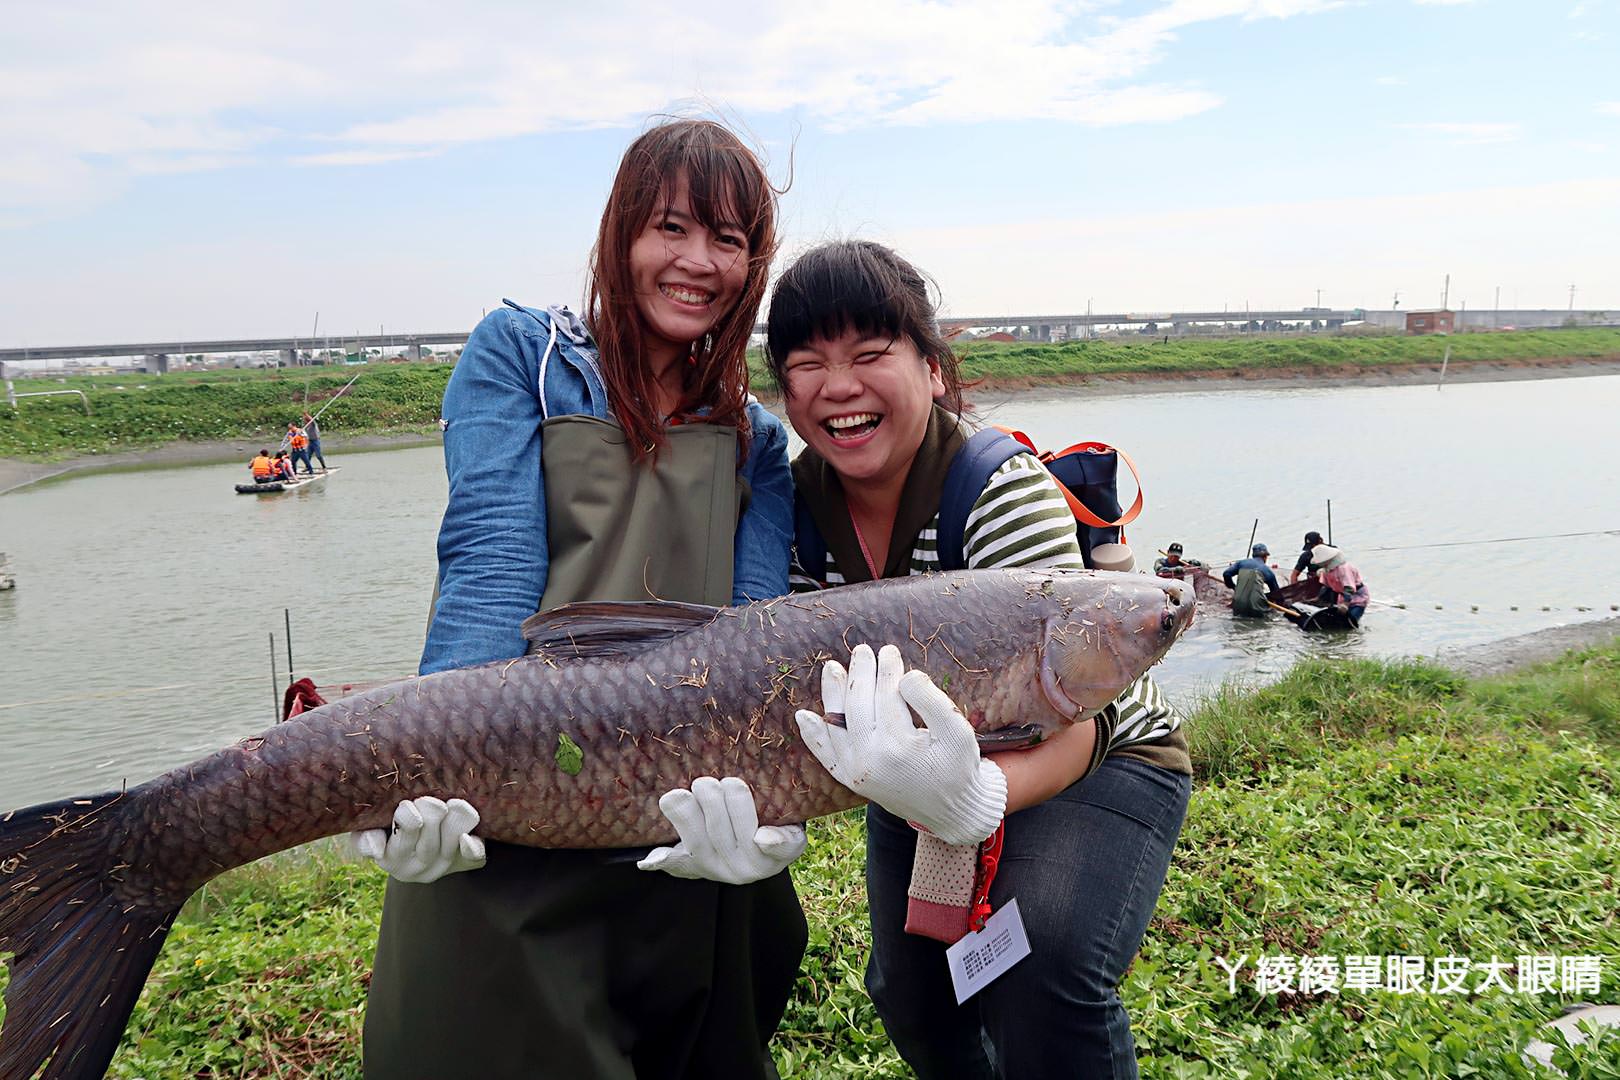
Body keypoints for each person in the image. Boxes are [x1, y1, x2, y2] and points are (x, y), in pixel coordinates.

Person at [354, 120, 803, 1080]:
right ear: (619, 233)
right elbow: (490, 557)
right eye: (672, 228)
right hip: (502, 810)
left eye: (729, 240)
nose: (698, 262)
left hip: (687, 824)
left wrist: (771, 805)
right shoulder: (524, 355)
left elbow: (759, 645)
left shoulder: (756, 439)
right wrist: (428, 767)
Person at [766, 240, 1191, 1079]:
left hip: (1090, 756)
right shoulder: (796, 508)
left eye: (869, 353)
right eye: (806, 363)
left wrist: (981, 795)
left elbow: (1083, 717)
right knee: (911, 992)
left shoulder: (997, 488)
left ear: (931, 368)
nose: (838, 385)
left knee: (1046, 967)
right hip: (914, 771)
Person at [1310, 543, 1369, 626]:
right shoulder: (1326, 571)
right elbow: (1326, 586)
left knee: (1351, 622)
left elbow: (1349, 587)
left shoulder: (1344, 569)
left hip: (1357, 597)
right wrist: (1319, 598)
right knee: (1339, 621)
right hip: (1341, 596)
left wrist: (1345, 603)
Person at [1222, 542, 1281, 617]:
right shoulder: (1266, 570)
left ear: (1253, 555)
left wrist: (1234, 587)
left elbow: (1226, 574)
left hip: (1238, 605)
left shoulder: (1241, 563)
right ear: (1265, 557)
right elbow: (1277, 594)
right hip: (1257, 607)